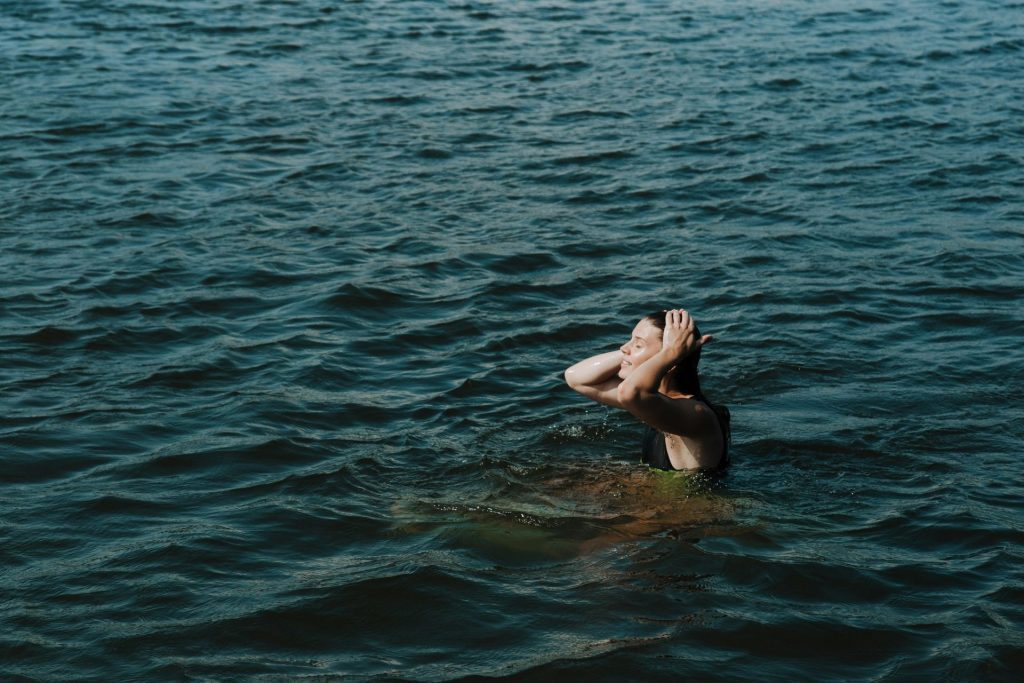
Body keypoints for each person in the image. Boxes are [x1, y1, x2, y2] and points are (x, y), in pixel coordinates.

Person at [564, 309, 730, 471]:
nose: (623, 347)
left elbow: (629, 393)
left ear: (670, 361)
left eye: (638, 345)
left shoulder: (696, 414)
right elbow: (576, 378)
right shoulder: (654, 401)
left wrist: (670, 352)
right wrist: (633, 351)